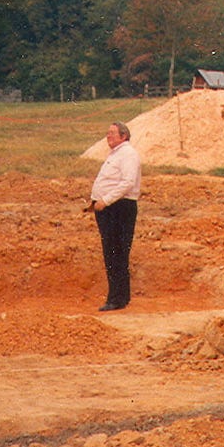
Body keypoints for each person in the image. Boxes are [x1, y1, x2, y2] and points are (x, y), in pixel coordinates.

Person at [88, 121, 141, 311]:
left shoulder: (128, 154)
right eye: (107, 133)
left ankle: (116, 299)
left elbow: (127, 182)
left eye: (112, 133)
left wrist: (106, 200)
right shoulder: (117, 154)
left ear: (123, 136)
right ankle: (120, 296)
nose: (108, 136)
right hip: (110, 207)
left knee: (115, 252)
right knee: (113, 252)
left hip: (119, 208)